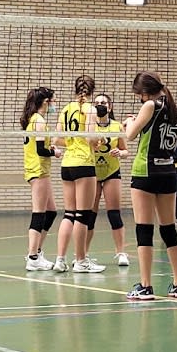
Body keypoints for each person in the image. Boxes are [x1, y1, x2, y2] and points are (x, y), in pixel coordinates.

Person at [124, 70, 177, 299]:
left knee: (144, 229)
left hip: (145, 171)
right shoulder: (175, 110)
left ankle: (145, 285)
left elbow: (130, 135)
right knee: (169, 229)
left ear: (144, 91)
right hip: (169, 172)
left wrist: (129, 121)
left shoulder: (150, 105)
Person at [52, 75, 106, 273]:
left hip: (67, 164)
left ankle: (59, 260)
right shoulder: (90, 110)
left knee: (69, 214)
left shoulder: (66, 109)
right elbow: (92, 138)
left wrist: (74, 142)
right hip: (84, 164)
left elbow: (57, 139)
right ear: (92, 91)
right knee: (83, 215)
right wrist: (100, 140)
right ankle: (81, 261)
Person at [85, 92, 131, 266]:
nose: (99, 105)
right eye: (96, 103)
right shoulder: (89, 126)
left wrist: (120, 153)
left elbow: (126, 151)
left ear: (109, 107)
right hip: (93, 173)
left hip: (112, 172)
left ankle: (121, 253)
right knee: (89, 215)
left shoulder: (117, 126)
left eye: (103, 102)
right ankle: (84, 254)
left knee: (114, 214)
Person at [21, 86, 60, 270]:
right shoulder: (38, 121)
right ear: (46, 102)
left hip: (40, 170)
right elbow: (40, 150)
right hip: (37, 170)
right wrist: (54, 151)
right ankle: (33, 257)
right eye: (52, 101)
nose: (53, 104)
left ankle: (37, 250)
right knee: (39, 213)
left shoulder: (36, 120)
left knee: (51, 212)